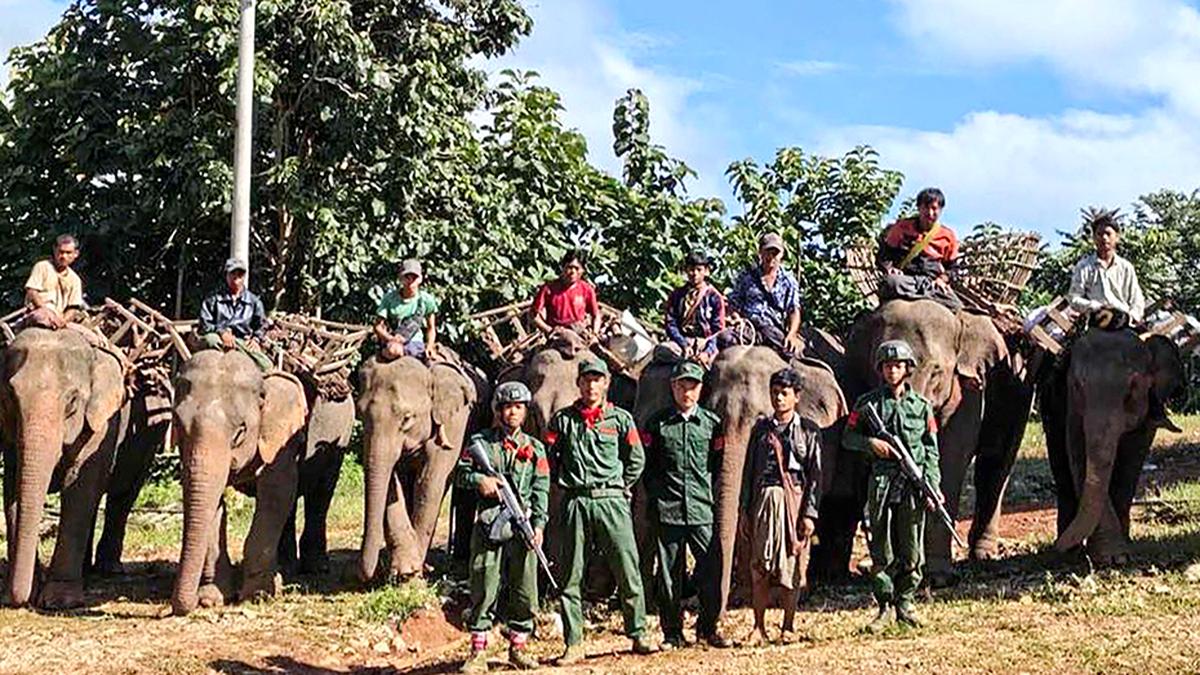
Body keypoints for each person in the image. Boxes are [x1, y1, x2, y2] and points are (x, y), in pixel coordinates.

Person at [546, 357, 656, 664]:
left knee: (627, 566)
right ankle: (574, 642)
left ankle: (638, 632)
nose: (591, 385)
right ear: (578, 383)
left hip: (612, 500)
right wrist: (566, 484)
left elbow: (637, 458)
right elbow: (551, 458)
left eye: (597, 379)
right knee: (570, 574)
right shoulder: (562, 420)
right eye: (586, 380)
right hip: (576, 501)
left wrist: (623, 484)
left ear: (606, 383)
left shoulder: (620, 419)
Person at [842, 340, 942, 633]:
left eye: (898, 365)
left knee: (912, 547)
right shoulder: (867, 404)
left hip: (913, 483)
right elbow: (849, 438)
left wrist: (933, 485)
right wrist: (870, 443)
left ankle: (906, 603)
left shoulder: (922, 407)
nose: (892, 370)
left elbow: (931, 450)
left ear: (907, 369)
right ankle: (885, 606)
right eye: (887, 366)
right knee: (881, 548)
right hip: (882, 483)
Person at [457, 382, 550, 672]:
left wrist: (539, 525)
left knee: (525, 589)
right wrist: (479, 481)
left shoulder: (535, 449)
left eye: (518, 407)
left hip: (522, 528)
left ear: (525, 411)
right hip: (490, 526)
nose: (512, 412)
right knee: (484, 584)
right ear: (498, 410)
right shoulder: (481, 443)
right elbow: (461, 473)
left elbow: (541, 490)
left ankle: (518, 648)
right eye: (507, 407)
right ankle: (478, 652)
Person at [642, 361, 732, 649]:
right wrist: (659, 497)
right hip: (667, 509)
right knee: (669, 575)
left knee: (710, 569)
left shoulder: (712, 424)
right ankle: (672, 632)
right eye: (681, 386)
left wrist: (703, 493)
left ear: (700, 389)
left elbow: (716, 467)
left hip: (700, 509)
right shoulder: (656, 424)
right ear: (673, 388)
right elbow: (648, 468)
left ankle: (708, 629)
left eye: (692, 386)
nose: (687, 392)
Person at [739, 367, 822, 645]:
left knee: (793, 565)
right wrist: (745, 510)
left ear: (796, 396)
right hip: (764, 500)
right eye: (774, 393)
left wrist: (810, 513)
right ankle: (758, 627)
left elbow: (815, 476)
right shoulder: (760, 431)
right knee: (759, 565)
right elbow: (749, 472)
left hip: (795, 502)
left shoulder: (809, 431)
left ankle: (789, 626)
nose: (779, 399)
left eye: (784, 393)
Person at [875, 187, 962, 311]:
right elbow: (884, 254)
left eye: (934, 208)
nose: (930, 213)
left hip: (931, 284)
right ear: (919, 208)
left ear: (941, 210)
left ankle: (926, 295)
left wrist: (942, 280)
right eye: (926, 208)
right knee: (891, 282)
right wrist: (890, 268)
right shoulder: (901, 227)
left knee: (957, 306)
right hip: (905, 279)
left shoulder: (948, 235)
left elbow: (953, 268)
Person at [727, 232, 803, 355]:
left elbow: (793, 310)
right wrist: (737, 319)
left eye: (775, 253)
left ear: (782, 254)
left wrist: (792, 334)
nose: (771, 257)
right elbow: (733, 303)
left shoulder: (789, 280)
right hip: (747, 328)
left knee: (790, 357)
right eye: (767, 251)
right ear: (760, 252)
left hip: (772, 329)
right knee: (724, 339)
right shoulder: (746, 276)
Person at [1067, 210, 1146, 327]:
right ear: (1093, 238)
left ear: (1117, 237)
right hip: (1095, 322)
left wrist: (1132, 316)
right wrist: (1094, 306)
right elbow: (1074, 298)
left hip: (1123, 322)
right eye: (1099, 234)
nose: (1104, 238)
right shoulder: (1083, 266)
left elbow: (1137, 299)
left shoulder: (1126, 267)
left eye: (1108, 234)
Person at [197, 257, 272, 371]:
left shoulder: (253, 301)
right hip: (219, 340)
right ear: (226, 275)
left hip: (243, 342)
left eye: (240, 274)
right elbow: (204, 324)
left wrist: (256, 339)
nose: (236, 278)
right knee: (210, 340)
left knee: (265, 365)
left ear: (244, 276)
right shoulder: (213, 299)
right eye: (233, 273)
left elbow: (262, 325)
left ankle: (240, 352)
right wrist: (221, 332)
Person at [663, 250, 726, 367]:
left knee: (719, 366)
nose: (694, 273)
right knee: (661, 351)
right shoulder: (677, 295)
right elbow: (670, 323)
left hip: (706, 343)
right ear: (686, 270)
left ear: (706, 271)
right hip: (682, 342)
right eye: (691, 269)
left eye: (699, 270)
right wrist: (684, 344)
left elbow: (718, 330)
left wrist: (707, 352)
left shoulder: (715, 297)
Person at [374, 258, 440, 361]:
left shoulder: (426, 300)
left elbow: (431, 328)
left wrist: (430, 345)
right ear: (401, 278)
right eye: (407, 277)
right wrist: (390, 338)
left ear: (420, 279)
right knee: (392, 350)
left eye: (414, 277)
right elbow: (378, 326)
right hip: (393, 342)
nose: (410, 281)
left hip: (415, 343)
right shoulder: (389, 299)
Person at [530, 249, 602, 339]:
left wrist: (594, 334)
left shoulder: (587, 289)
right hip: (557, 335)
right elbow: (533, 315)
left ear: (583, 270)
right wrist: (549, 330)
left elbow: (596, 315)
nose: (573, 272)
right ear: (563, 267)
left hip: (579, 334)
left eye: (577, 268)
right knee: (549, 354)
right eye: (569, 267)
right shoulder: (549, 288)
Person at [23, 234, 85, 329]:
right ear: (54, 250)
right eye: (61, 252)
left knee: (91, 338)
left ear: (76, 254)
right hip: (39, 312)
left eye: (68, 253)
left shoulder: (75, 279)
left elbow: (73, 307)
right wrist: (46, 311)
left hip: (60, 318)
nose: (64, 256)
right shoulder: (42, 266)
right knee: (41, 318)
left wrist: (63, 321)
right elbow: (32, 291)